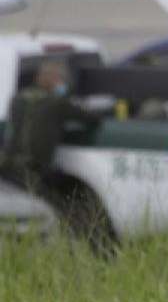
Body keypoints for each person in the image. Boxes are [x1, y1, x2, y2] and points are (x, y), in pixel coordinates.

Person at [0, 60, 100, 227]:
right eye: (61, 80)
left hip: (9, 168)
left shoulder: (17, 99)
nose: (63, 84)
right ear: (53, 79)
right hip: (36, 171)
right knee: (60, 209)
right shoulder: (56, 102)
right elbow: (92, 119)